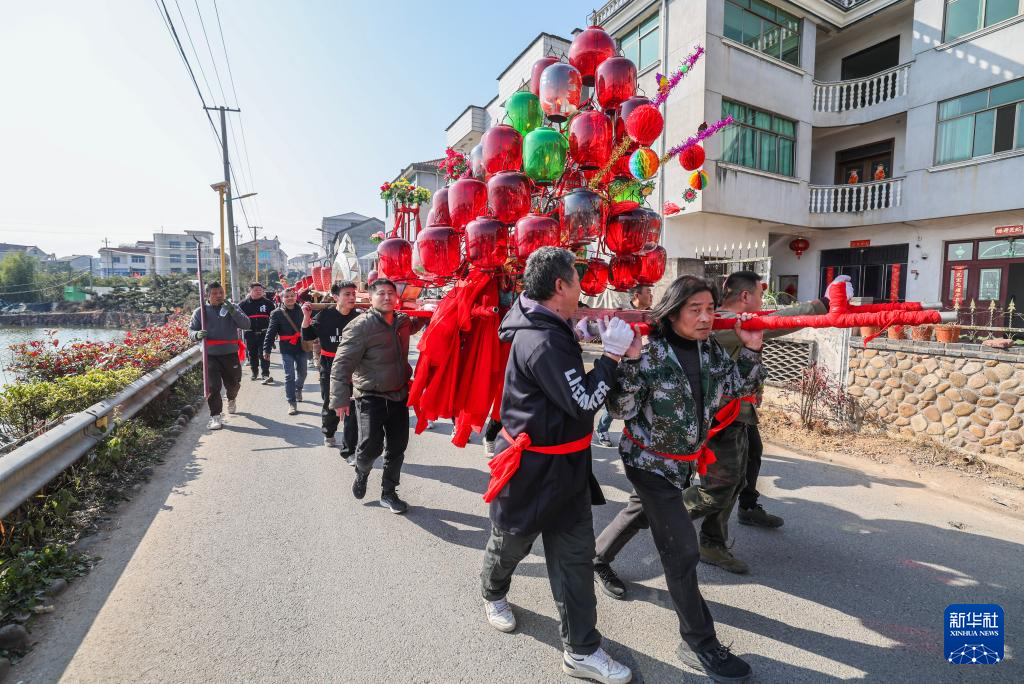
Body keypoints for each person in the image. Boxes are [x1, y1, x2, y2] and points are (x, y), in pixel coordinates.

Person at [479, 247, 635, 684]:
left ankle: (582, 650)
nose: (584, 289)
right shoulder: (541, 338)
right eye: (578, 280)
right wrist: (611, 357)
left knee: (575, 560)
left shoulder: (550, 325)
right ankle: (493, 591)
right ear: (560, 286)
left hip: (566, 468)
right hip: (529, 470)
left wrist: (581, 333)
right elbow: (583, 402)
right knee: (511, 544)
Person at [596, 275, 763, 682]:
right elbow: (619, 408)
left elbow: (741, 388)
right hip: (648, 463)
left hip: (683, 463)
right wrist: (629, 362)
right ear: (672, 315)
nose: (706, 317)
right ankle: (699, 642)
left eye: (710, 309)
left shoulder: (712, 354)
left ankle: (596, 557)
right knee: (682, 552)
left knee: (639, 512)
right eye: (696, 310)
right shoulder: (650, 354)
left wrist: (753, 349)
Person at [329, 278, 424, 514]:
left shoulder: (401, 322)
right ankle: (362, 472)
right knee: (370, 448)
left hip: (399, 394)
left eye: (391, 293)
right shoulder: (360, 326)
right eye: (380, 293)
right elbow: (341, 365)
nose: (387, 297)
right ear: (370, 298)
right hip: (370, 396)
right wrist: (339, 399)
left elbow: (417, 324)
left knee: (397, 447)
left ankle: (388, 493)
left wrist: (436, 311)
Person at [302, 281, 360, 457]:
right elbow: (308, 336)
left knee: (353, 404)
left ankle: (350, 447)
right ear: (335, 297)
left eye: (353, 294)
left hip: (354, 366)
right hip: (330, 364)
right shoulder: (324, 316)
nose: (351, 297)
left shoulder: (359, 317)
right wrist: (306, 316)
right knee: (331, 402)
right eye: (347, 294)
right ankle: (329, 431)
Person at [188, 281, 251, 430]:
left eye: (221, 292)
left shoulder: (233, 307)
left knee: (234, 383)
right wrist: (196, 334)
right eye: (215, 293)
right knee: (213, 387)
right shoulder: (200, 311)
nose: (219, 296)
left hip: (230, 353)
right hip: (210, 355)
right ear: (207, 295)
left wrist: (232, 311)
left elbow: (246, 325)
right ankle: (215, 416)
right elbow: (190, 332)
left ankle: (232, 398)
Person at [595, 285, 653, 447]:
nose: (651, 295)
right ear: (636, 295)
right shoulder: (623, 313)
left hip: (645, 363)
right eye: (648, 292)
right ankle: (602, 429)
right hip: (625, 364)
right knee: (619, 399)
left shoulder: (651, 313)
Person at [263, 288, 308, 415]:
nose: (289, 298)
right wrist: (267, 349)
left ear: (296, 297)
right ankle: (292, 403)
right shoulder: (276, 313)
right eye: (286, 296)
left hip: (302, 346)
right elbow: (271, 332)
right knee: (289, 376)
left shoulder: (302, 310)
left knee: (303, 373)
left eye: (292, 296)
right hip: (286, 348)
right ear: (282, 299)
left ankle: (298, 389)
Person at [239, 282, 275, 384]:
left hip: (265, 333)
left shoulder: (268, 303)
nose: (259, 292)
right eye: (256, 290)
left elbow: (274, 319)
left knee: (264, 354)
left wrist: (274, 332)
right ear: (250, 291)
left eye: (260, 290)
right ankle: (254, 372)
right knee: (252, 354)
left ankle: (265, 374)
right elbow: (237, 319)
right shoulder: (243, 304)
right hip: (250, 333)